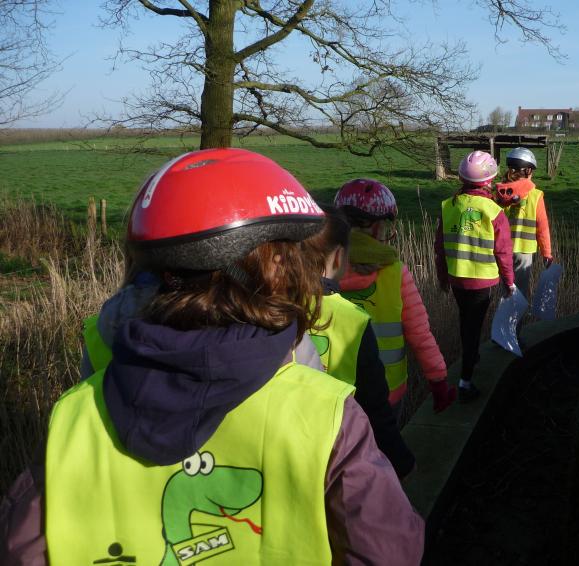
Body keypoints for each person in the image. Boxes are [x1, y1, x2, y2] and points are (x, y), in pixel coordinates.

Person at [0, 149, 424, 565]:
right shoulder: (325, 414)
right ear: (276, 267)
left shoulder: (74, 417)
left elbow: (21, 549)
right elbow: (388, 550)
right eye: (294, 259)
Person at [304, 204, 416, 478]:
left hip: (302, 432)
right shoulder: (354, 319)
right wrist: (401, 460)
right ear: (339, 256)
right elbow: (375, 405)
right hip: (347, 427)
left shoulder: (274, 308)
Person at [333, 179, 455, 418]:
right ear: (378, 228)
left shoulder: (317, 269)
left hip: (334, 395)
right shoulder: (395, 272)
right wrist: (438, 380)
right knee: (386, 453)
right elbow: (420, 334)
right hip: (387, 390)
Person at [434, 150, 516, 403]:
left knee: (465, 322)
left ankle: (471, 359)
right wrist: (510, 281)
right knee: (473, 329)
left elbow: (438, 248)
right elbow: (503, 251)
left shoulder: (448, 206)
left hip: (457, 279)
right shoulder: (493, 210)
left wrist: (443, 278)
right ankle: (465, 381)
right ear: (490, 180)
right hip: (482, 281)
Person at [493, 147, 554, 300]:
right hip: (523, 252)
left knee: (505, 291)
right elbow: (542, 227)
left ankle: (501, 322)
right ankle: (515, 324)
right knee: (519, 293)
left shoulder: (500, 193)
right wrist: (546, 253)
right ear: (527, 171)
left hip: (500, 250)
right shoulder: (535, 195)